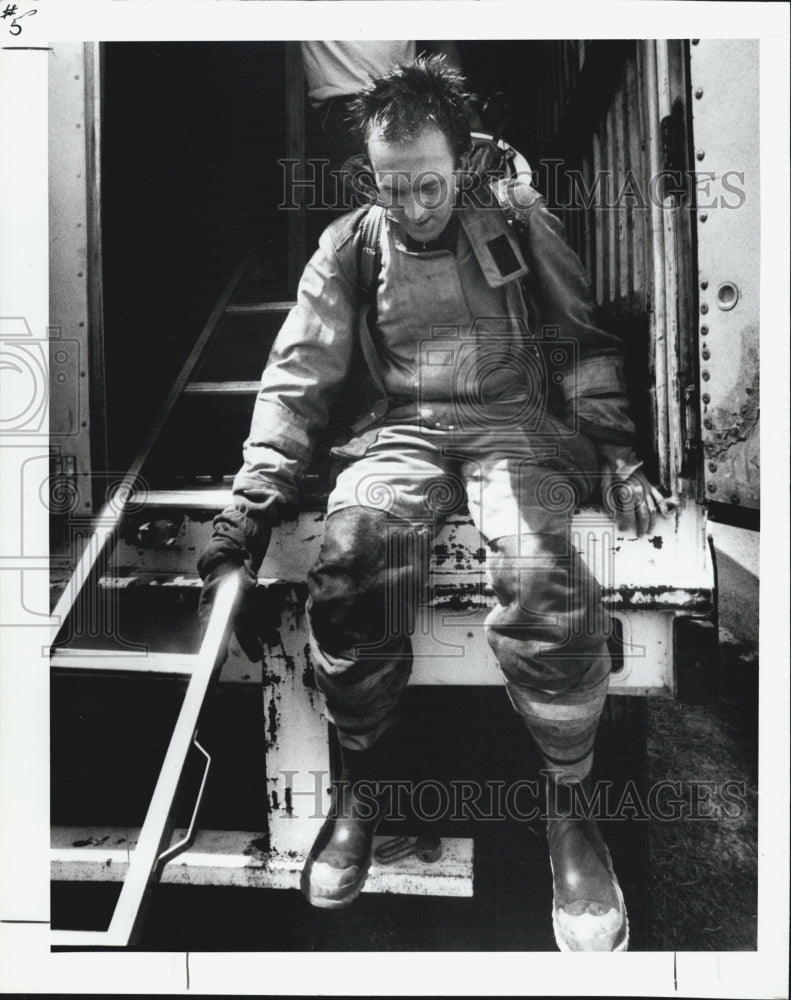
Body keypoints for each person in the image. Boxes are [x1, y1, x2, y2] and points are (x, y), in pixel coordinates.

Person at [199, 55, 662, 951]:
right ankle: (364, 795)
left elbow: (577, 338)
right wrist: (249, 507)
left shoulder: (518, 219)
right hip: (401, 433)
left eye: (431, 185)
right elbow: (297, 380)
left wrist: (618, 450)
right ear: (368, 175)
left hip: (510, 424)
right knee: (347, 560)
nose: (413, 206)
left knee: (541, 571)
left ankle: (571, 815)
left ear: (463, 159)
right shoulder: (349, 244)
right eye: (392, 186)